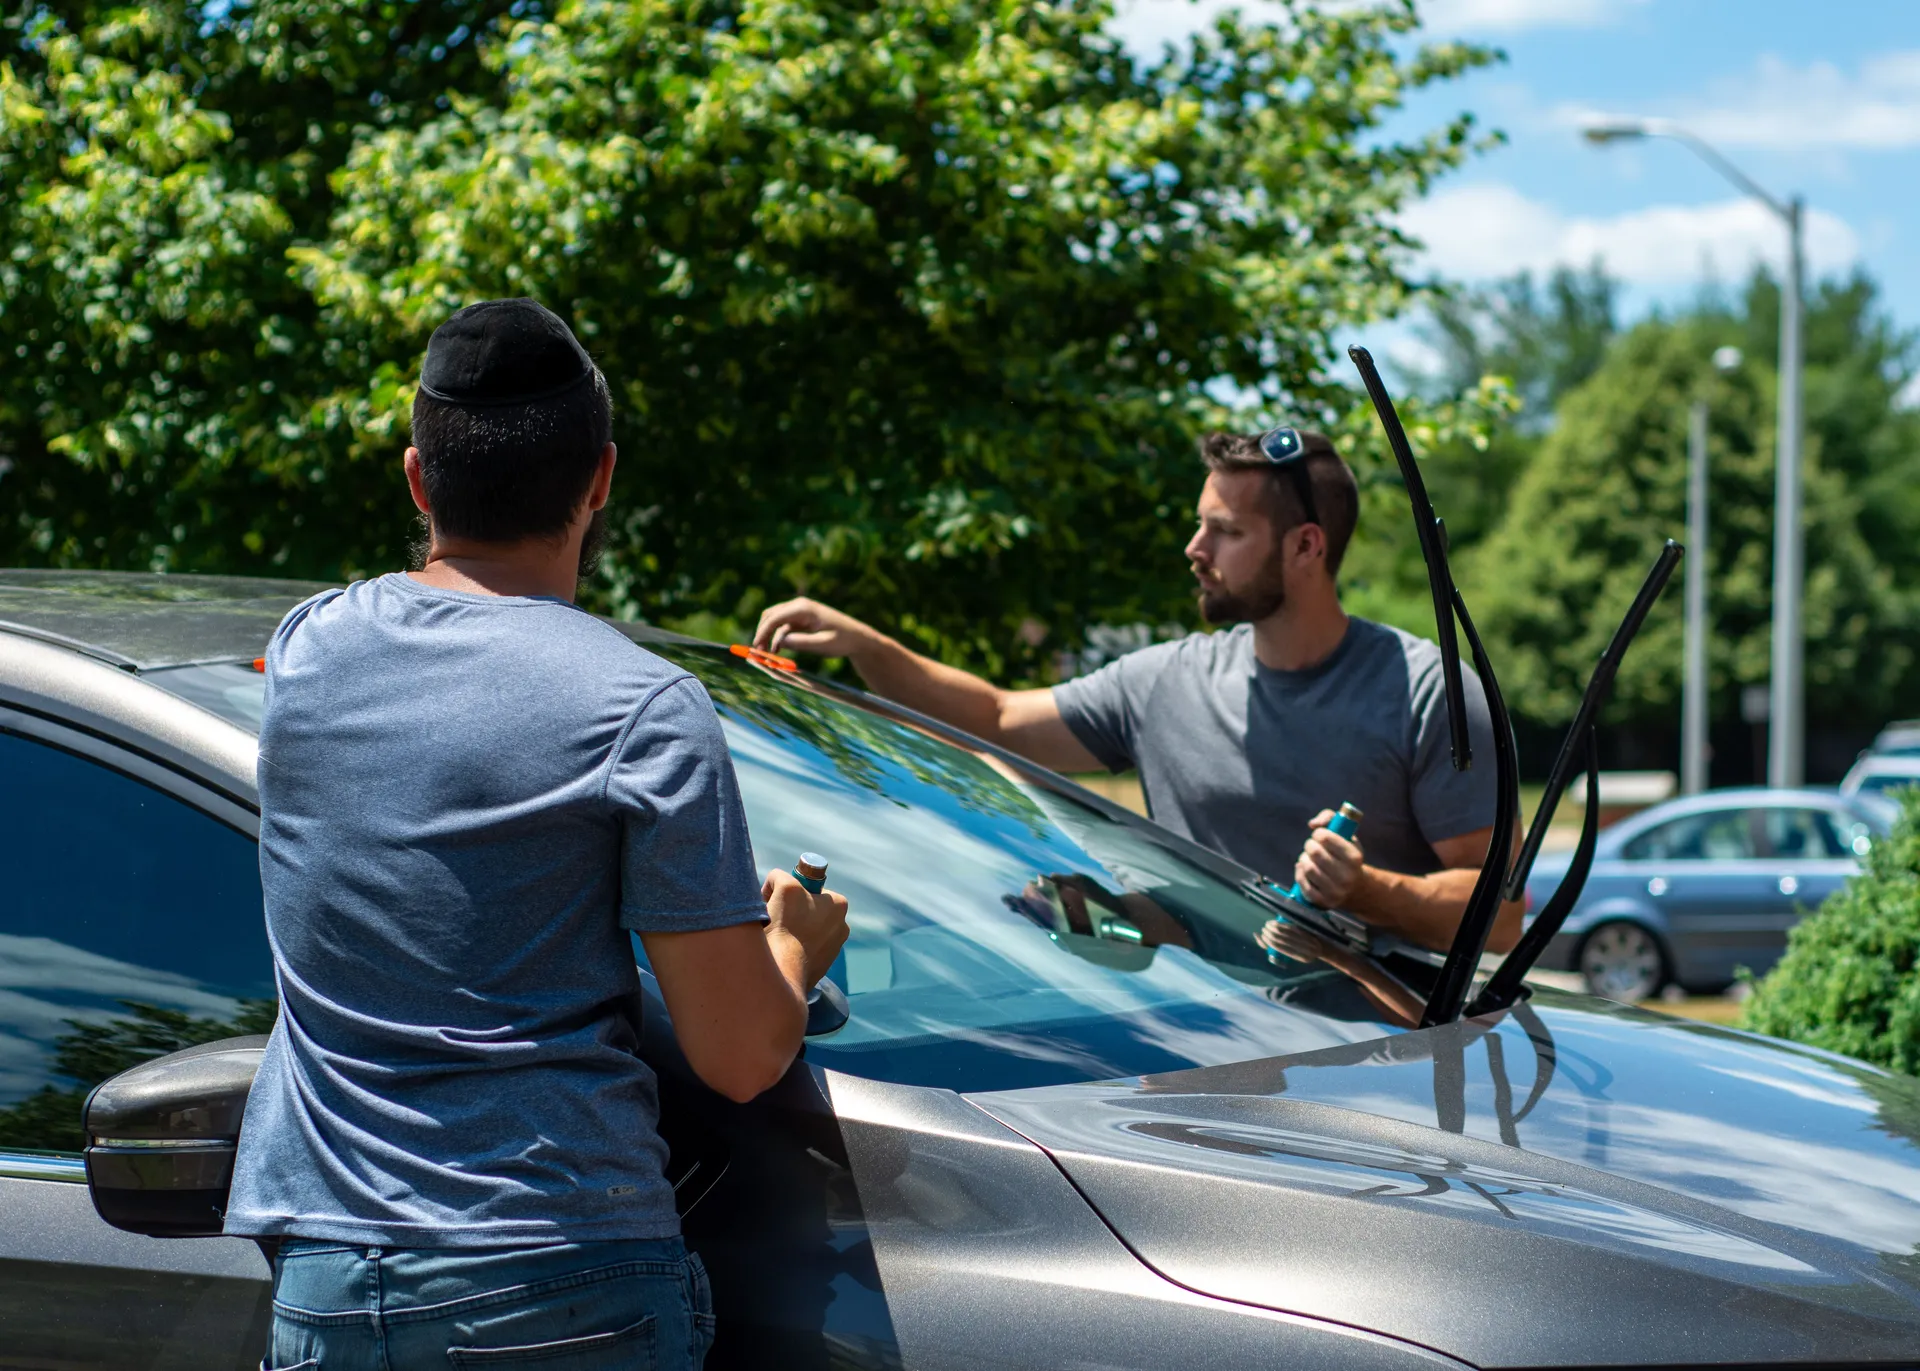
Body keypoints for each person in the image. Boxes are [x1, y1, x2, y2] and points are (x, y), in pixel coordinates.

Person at [226, 298, 849, 1370]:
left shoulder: (310, 650)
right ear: (601, 479)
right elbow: (742, 1056)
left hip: (327, 1276)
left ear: (418, 479)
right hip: (559, 1275)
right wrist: (794, 945)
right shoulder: (644, 708)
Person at [753, 426, 1520, 957]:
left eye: (1223, 530)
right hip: (1185, 1055)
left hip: (1381, 1071)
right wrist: (866, 644)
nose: (1195, 549)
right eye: (1199, 525)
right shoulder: (1168, 681)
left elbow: (1503, 917)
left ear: (1305, 546)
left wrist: (1366, 889)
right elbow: (997, 716)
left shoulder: (1428, 692)